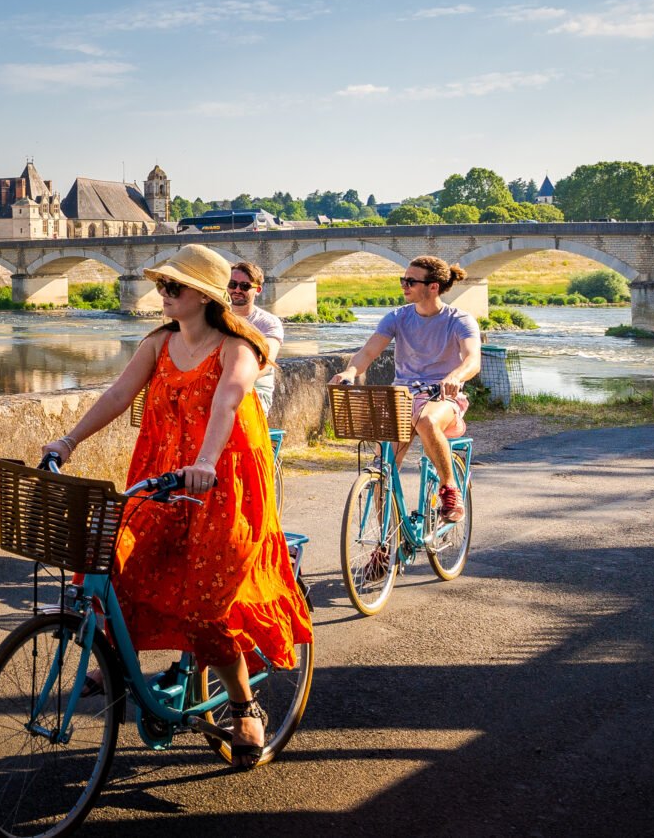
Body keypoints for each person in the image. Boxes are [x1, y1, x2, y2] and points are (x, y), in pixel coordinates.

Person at [39, 244, 310, 767]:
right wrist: (68, 442)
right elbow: (118, 395)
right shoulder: (159, 343)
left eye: (174, 287)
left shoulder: (240, 347)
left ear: (204, 297)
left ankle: (243, 704)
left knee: (211, 599)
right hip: (162, 472)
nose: (163, 294)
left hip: (224, 478)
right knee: (121, 558)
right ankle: (119, 656)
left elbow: (229, 400)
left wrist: (205, 461)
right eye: (162, 285)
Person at [330, 255, 480, 524]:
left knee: (425, 420)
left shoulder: (460, 320)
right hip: (402, 397)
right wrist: (350, 371)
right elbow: (368, 352)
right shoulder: (397, 317)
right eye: (403, 280)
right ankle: (385, 544)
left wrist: (455, 377)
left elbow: (472, 360)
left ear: (433, 286)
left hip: (443, 397)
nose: (404, 285)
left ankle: (450, 489)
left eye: (411, 281)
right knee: (383, 469)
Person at [226, 261, 284, 415]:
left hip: (255, 391)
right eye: (232, 284)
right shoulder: (214, 317)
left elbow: (266, 362)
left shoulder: (268, 323)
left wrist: (231, 386)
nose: (237, 290)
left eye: (244, 286)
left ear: (257, 289)